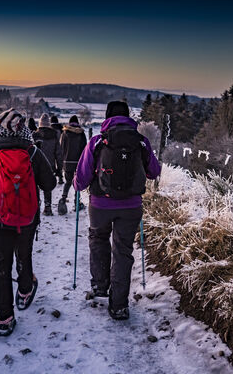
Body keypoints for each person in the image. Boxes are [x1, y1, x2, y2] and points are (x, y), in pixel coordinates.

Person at [0, 108, 56, 336]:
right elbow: (50, 184)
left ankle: (4, 319)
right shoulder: (33, 152)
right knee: (24, 254)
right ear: (24, 128)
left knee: (2, 263)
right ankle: (25, 291)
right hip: (27, 218)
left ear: (0, 126)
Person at [73, 101, 161, 320]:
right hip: (131, 206)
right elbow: (154, 172)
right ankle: (119, 305)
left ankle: (100, 285)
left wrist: (75, 185)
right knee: (123, 251)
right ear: (128, 117)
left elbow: (82, 178)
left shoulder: (97, 141)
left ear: (107, 117)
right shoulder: (141, 142)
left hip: (101, 204)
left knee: (98, 238)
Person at [33, 113, 63, 216]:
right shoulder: (54, 136)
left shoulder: (34, 136)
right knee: (47, 187)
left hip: (35, 165)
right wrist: (59, 168)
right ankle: (48, 207)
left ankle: (35, 206)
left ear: (40, 124)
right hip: (49, 165)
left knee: (35, 187)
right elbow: (58, 153)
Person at [58, 115, 87, 215]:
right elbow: (84, 150)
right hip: (78, 162)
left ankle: (63, 199)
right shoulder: (81, 134)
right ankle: (77, 203)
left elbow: (61, 148)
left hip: (67, 162)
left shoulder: (64, 133)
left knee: (68, 182)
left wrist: (61, 162)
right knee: (77, 183)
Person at [50, 115, 65, 184]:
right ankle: (60, 178)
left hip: (52, 147)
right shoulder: (61, 129)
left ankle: (51, 178)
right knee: (59, 164)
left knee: (52, 164)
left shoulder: (50, 129)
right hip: (61, 148)